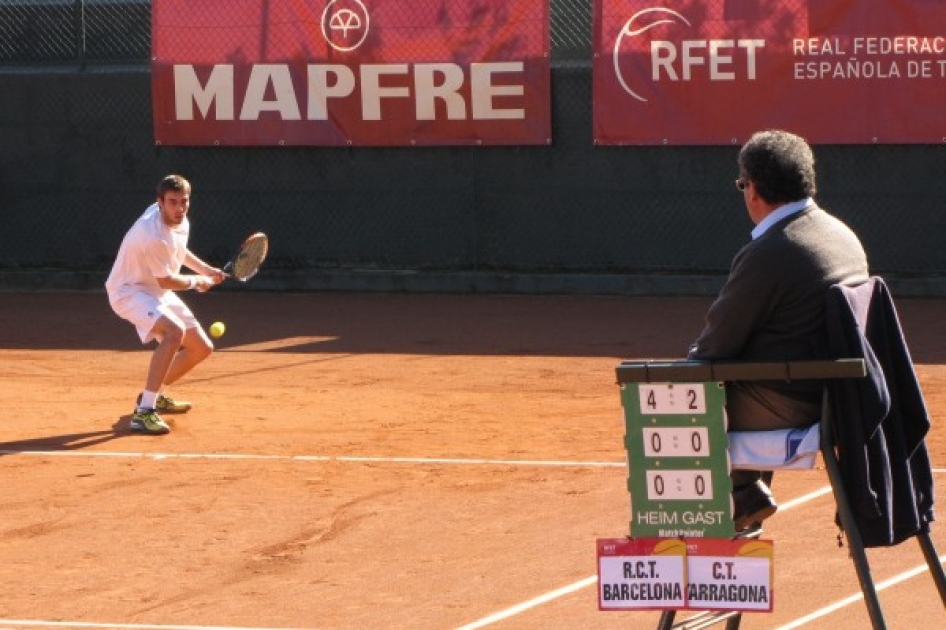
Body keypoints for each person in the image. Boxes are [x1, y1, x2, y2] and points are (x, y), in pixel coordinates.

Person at [687, 129, 869, 530]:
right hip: (839, 397)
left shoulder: (770, 253)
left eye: (742, 184)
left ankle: (696, 530)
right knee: (732, 374)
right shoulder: (844, 236)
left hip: (793, 403)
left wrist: (683, 372)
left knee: (675, 399)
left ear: (753, 190)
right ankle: (744, 497)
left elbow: (716, 344)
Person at [105, 174, 225, 435]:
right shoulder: (153, 235)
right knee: (174, 332)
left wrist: (206, 269)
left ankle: (155, 396)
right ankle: (144, 412)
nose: (179, 208)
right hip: (128, 292)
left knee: (202, 348)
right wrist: (197, 282)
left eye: (184, 202)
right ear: (159, 203)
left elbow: (179, 251)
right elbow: (167, 280)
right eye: (172, 202)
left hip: (154, 289)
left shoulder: (179, 221)